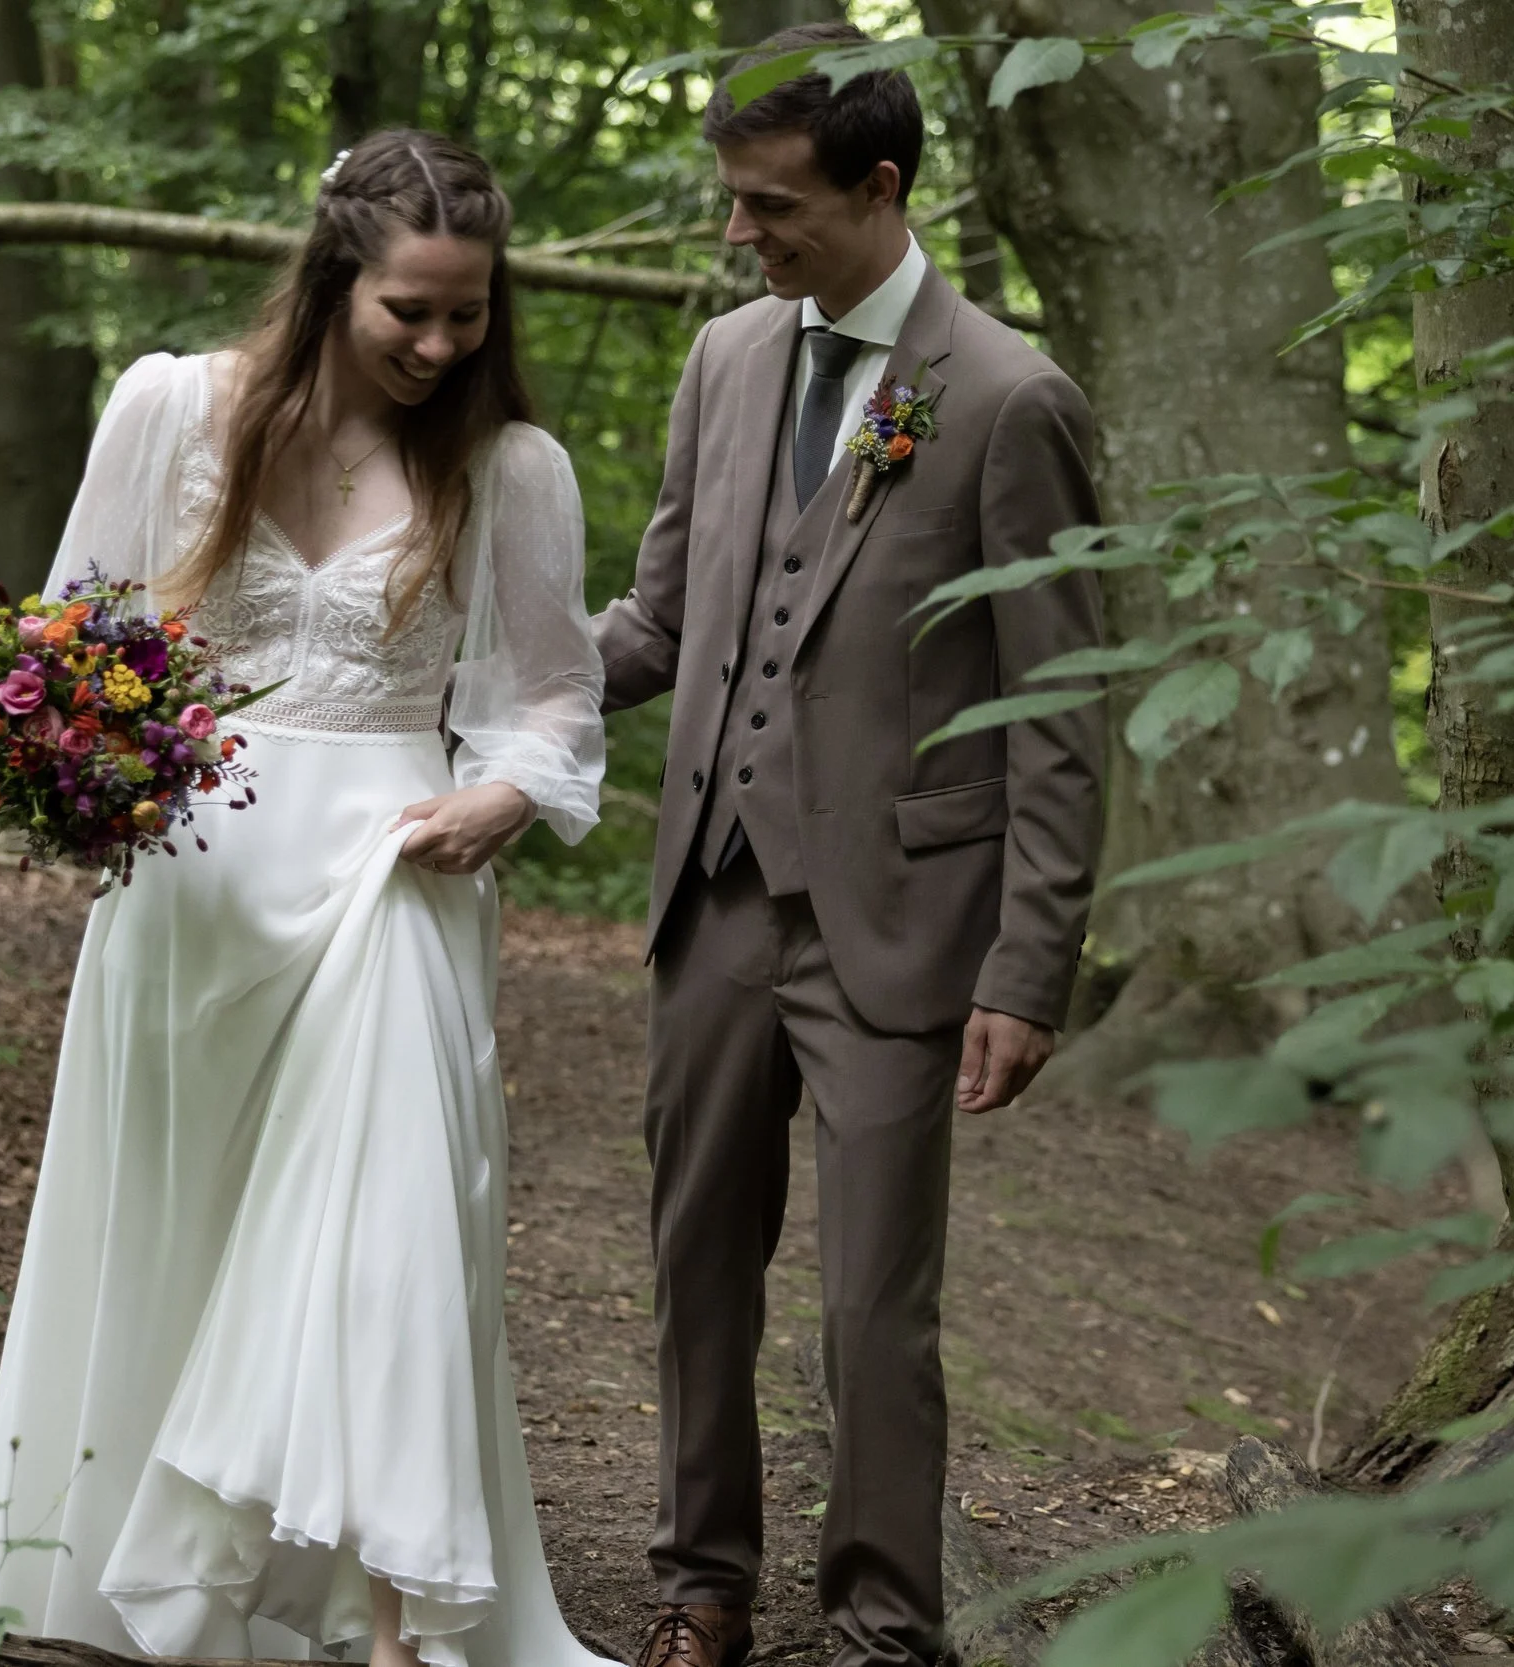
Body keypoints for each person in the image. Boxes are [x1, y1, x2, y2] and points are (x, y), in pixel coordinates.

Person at [0, 129, 615, 1667]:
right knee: (173, 1230)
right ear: (331, 283)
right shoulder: (172, 405)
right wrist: (76, 766)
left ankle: (394, 1627)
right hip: (190, 890)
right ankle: (150, 1596)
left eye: (470, 313)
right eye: (412, 313)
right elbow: (67, 639)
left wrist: (508, 789)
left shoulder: (511, 468)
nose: (446, 345)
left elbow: (558, 696)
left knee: (386, 1240)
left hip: (394, 874)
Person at [591, 25, 1107, 1667]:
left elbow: (1064, 711)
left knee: (875, 1303)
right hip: (717, 898)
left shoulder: (1013, 399)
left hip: (902, 918)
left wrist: (1029, 968)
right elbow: (661, 616)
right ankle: (702, 1586)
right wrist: (469, 684)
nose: (742, 236)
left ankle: (887, 1622)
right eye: (732, 203)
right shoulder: (728, 363)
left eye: (771, 207)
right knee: (695, 1262)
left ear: (880, 188)